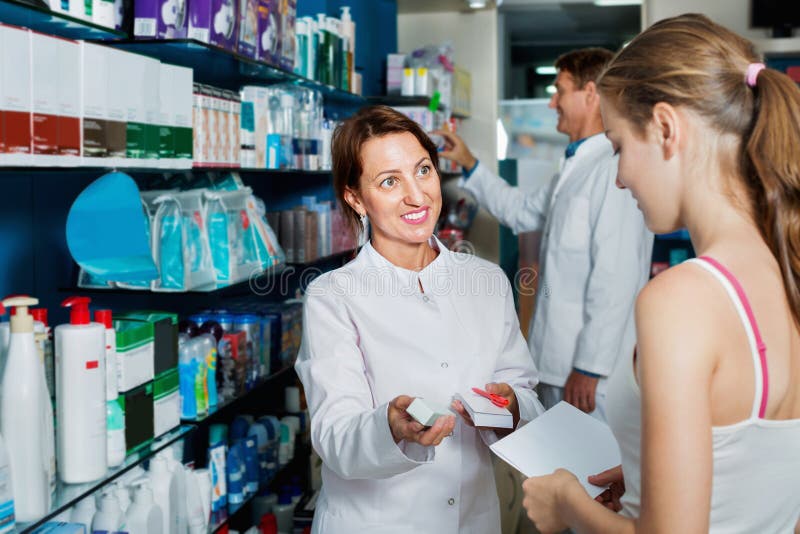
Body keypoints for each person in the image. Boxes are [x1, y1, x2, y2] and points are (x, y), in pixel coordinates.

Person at [522, 14, 800, 533]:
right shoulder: (786, 271)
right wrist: (650, 476)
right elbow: (757, 471)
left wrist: (564, 501)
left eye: (620, 146)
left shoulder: (682, 300)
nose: (621, 177)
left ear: (667, 129)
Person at [295, 105, 544, 534]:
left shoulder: (486, 281)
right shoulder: (332, 296)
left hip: (472, 518)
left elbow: (527, 398)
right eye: (389, 181)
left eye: (423, 170)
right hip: (373, 522)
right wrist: (389, 428)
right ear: (356, 198)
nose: (417, 195)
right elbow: (334, 437)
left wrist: (513, 404)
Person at [436, 48, 653, 419]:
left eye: (559, 90)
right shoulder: (573, 170)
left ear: (590, 93)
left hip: (591, 375)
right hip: (558, 364)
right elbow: (519, 212)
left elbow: (616, 276)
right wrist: (469, 163)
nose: (552, 102)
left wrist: (590, 367)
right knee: (558, 469)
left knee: (589, 473)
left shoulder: (613, 168)